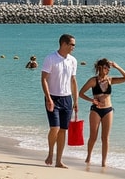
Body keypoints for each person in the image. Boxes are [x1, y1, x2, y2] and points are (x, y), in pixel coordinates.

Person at [78, 58, 125, 166]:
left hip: (108, 110)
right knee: (93, 136)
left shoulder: (110, 80)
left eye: (109, 68)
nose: (108, 70)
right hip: (96, 110)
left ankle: (104, 162)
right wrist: (91, 100)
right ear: (100, 68)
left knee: (105, 138)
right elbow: (81, 93)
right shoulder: (93, 80)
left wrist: (117, 66)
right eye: (106, 67)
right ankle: (88, 157)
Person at [40, 32, 78, 168]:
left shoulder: (73, 60)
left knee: (63, 130)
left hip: (67, 98)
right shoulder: (50, 58)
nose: (74, 47)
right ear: (64, 44)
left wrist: (76, 101)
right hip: (53, 98)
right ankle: (50, 154)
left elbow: (73, 81)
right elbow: (44, 79)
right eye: (72, 44)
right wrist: (48, 98)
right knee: (54, 128)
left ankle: (59, 160)